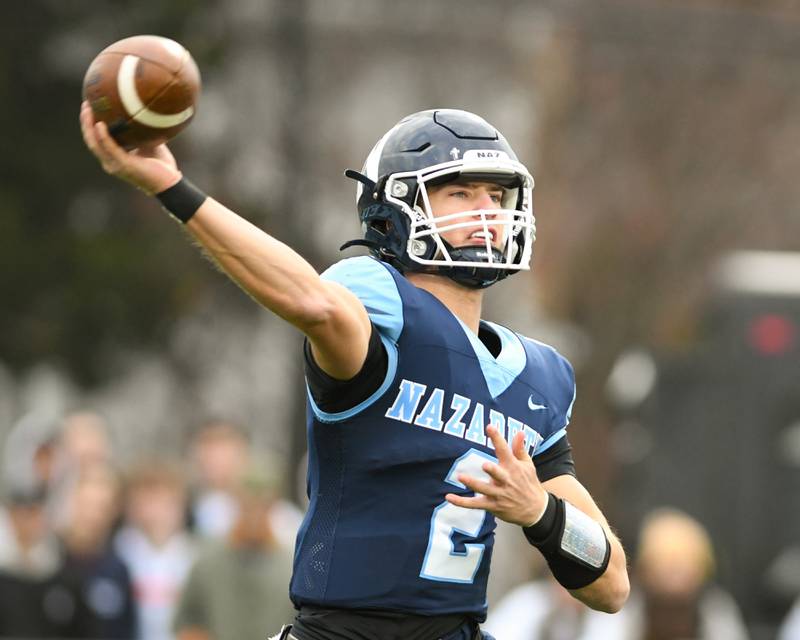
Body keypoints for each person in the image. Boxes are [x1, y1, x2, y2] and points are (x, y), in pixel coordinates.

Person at [80, 103, 630, 639]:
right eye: (461, 193)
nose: (487, 211)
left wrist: (540, 511)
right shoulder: (379, 306)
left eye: (496, 194)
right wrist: (174, 188)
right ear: (396, 209)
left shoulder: (536, 375)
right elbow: (311, 301)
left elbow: (612, 585)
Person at [172, 460, 295, 640]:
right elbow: (187, 623)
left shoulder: (291, 569)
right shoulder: (208, 562)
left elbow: (302, 627)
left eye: (262, 505)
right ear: (235, 502)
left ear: (274, 505)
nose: (254, 514)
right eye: (247, 505)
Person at [114, 459, 196, 640]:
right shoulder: (121, 549)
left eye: (165, 503)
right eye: (148, 502)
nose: (156, 512)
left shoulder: (193, 554)